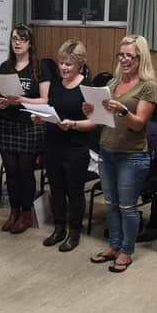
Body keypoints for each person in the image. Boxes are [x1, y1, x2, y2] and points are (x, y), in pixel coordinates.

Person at [86, 35, 157, 273]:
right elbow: (101, 119)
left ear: (141, 58)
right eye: (122, 55)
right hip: (107, 151)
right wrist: (91, 110)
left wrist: (122, 110)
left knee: (127, 206)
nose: (125, 59)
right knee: (110, 204)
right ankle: (114, 245)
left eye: (130, 55)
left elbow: (138, 124)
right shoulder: (115, 81)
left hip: (132, 156)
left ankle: (126, 250)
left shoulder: (148, 86)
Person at [33, 39, 94, 252]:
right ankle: (59, 228)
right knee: (56, 188)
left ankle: (74, 231)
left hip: (75, 147)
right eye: (61, 63)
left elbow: (94, 123)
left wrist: (74, 124)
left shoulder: (88, 87)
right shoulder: (57, 84)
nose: (64, 68)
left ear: (79, 64)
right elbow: (52, 109)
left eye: (69, 64)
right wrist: (42, 118)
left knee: (73, 190)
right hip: (52, 143)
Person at [0, 24, 50, 234]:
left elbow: (44, 99)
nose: (17, 42)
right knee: (11, 171)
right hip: (6, 124)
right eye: (14, 38)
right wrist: (2, 102)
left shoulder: (40, 68)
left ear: (30, 43)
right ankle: (14, 212)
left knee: (24, 171)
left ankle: (26, 213)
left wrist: (21, 100)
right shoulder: (5, 66)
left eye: (22, 39)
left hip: (29, 126)